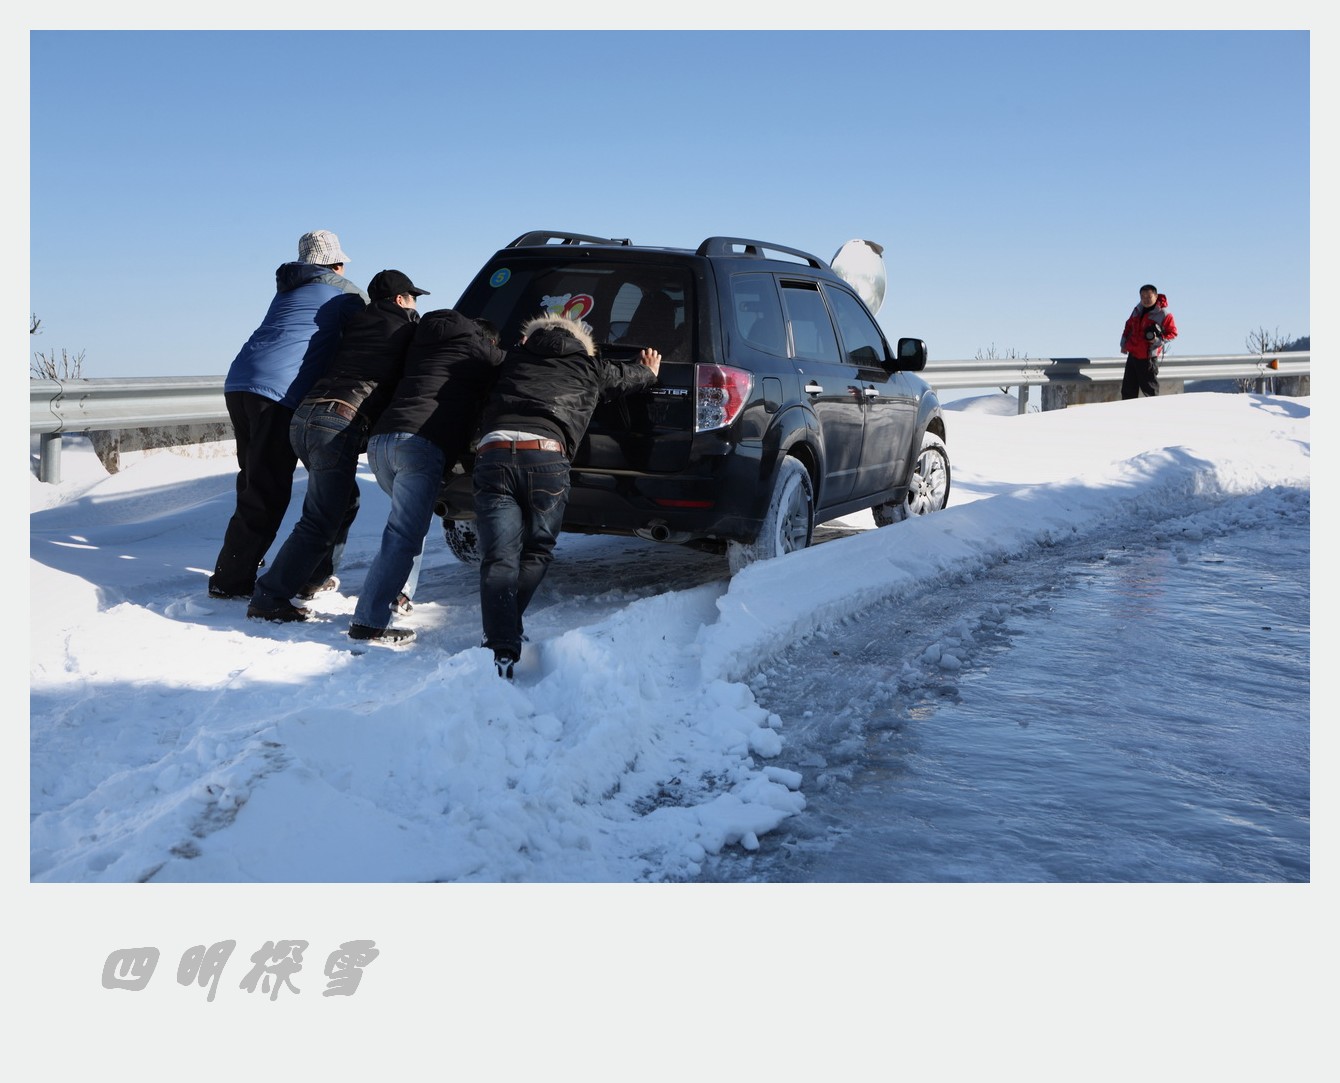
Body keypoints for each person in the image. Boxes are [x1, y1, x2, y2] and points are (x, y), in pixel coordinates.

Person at [473, 314, 661, 678]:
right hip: (546, 458)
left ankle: (501, 640)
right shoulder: (590, 366)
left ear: (528, 338)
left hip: (494, 454)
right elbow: (629, 378)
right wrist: (649, 371)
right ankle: (504, 632)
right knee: (536, 549)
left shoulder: (510, 358)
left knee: (499, 556)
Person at [246, 269, 430, 622]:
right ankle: (269, 597)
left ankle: (311, 580)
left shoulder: (355, 321)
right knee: (320, 519)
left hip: (305, 417)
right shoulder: (405, 328)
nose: (415, 305)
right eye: (413, 298)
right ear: (399, 299)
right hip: (337, 421)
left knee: (343, 502)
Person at [208, 230, 368, 599]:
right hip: (277, 393)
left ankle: (242, 567)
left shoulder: (288, 289)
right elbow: (370, 339)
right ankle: (233, 581)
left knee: (254, 481)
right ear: (337, 264)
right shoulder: (344, 294)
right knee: (271, 489)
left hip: (240, 384)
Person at [348, 311, 506, 645]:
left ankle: (394, 594)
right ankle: (368, 622)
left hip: (381, 443)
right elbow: (513, 367)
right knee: (404, 533)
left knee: (407, 527)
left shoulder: (422, 344)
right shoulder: (477, 348)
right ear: (486, 338)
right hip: (418, 444)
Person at [1119, 283, 1178, 399]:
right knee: (1128, 390)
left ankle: (1155, 410)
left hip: (1148, 357)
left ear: (1156, 296)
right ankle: (1128, 410)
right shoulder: (1137, 310)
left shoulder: (1164, 314)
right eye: (1142, 297)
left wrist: (1157, 340)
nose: (1145, 300)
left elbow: (1173, 333)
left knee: (1150, 392)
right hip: (1133, 355)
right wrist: (1123, 344)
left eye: (1149, 297)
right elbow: (1128, 326)